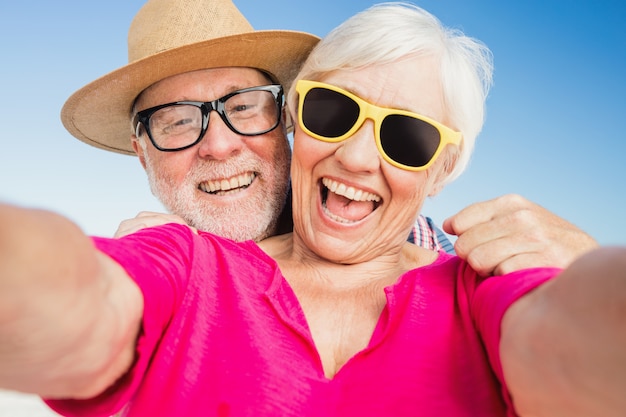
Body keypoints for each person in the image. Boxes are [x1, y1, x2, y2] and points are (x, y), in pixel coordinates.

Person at [1, 3, 624, 416]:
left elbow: (572, 341)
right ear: (303, 118)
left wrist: (586, 271)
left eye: (407, 137)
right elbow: (81, 297)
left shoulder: (477, 283)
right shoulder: (183, 260)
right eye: (335, 111)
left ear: (442, 170)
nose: (355, 158)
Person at [61, 0, 597, 273]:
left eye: (243, 108)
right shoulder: (156, 280)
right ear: (142, 152)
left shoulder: (466, 272)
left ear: (284, 119)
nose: (219, 145)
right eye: (176, 120)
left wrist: (595, 285)